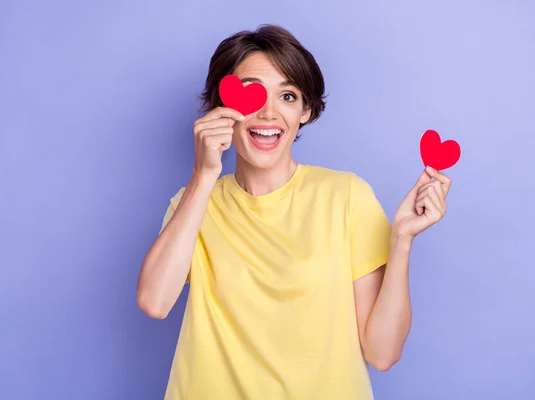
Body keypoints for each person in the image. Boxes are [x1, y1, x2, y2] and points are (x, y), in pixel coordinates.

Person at [136, 24, 452, 400]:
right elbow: (154, 303)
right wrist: (204, 174)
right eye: (252, 93)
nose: (268, 113)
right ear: (223, 105)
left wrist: (401, 241)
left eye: (287, 96)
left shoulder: (346, 196)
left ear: (305, 110)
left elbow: (382, 354)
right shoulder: (192, 203)